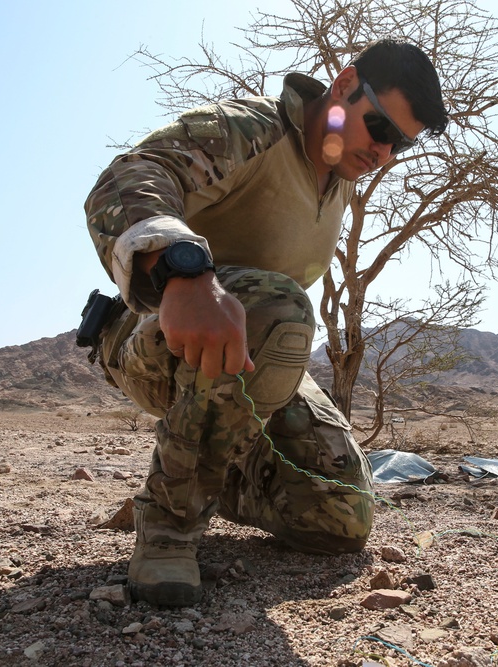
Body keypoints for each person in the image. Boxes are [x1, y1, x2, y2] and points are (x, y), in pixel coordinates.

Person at [83, 37, 448, 606]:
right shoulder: (250, 129)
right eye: (379, 129)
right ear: (346, 85)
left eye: (400, 144)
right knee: (280, 307)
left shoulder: (338, 182)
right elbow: (130, 175)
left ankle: (216, 470)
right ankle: (170, 526)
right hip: (150, 340)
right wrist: (182, 273)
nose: (385, 153)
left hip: (246, 359)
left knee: (338, 516)